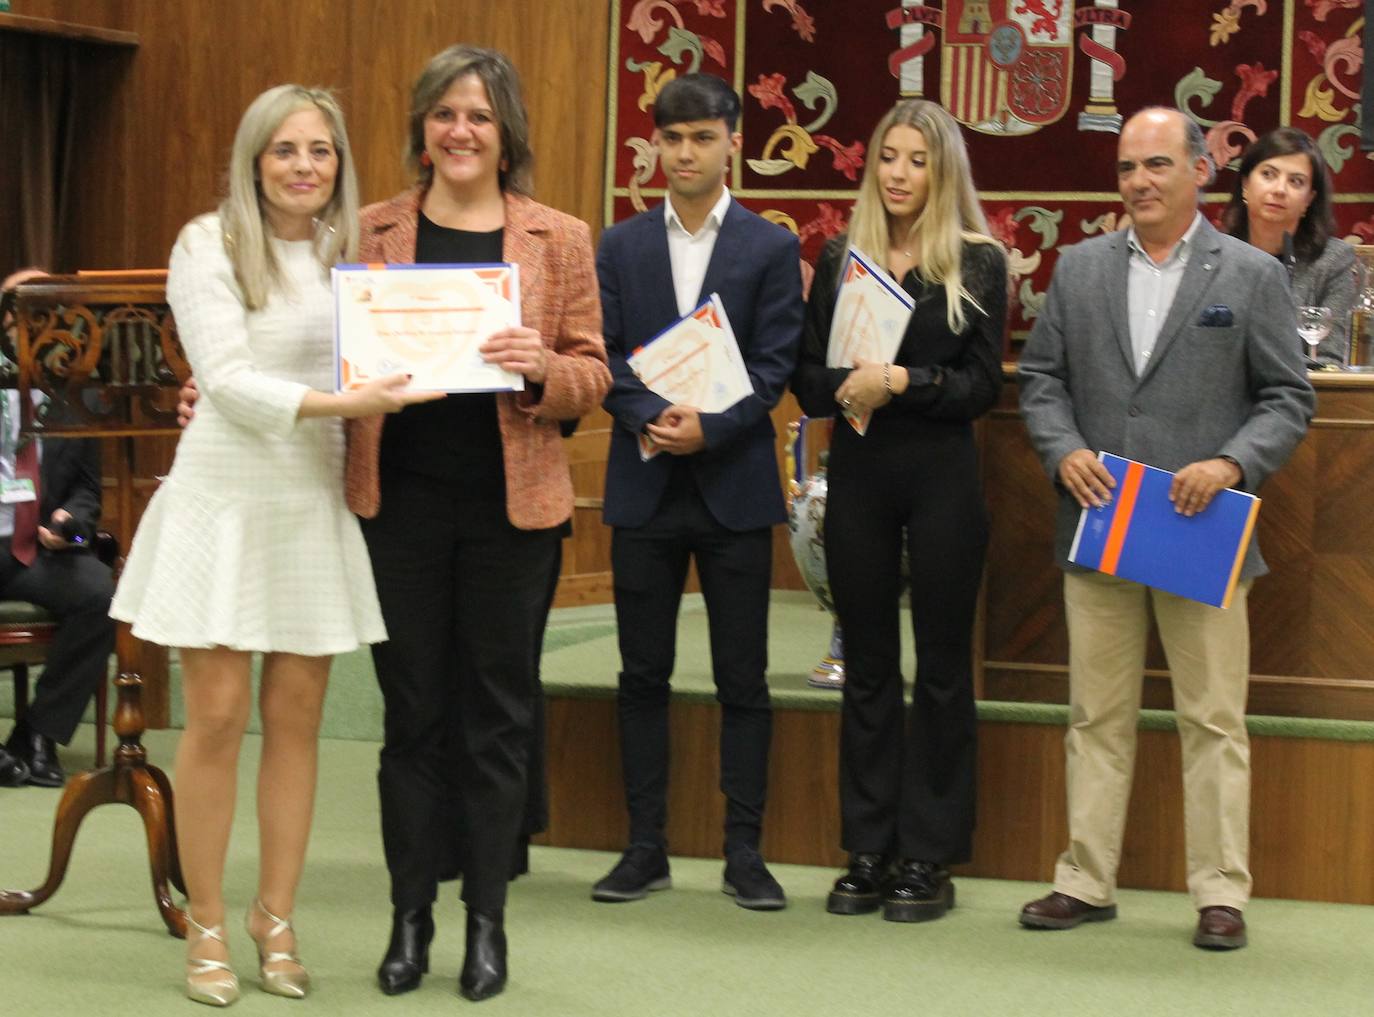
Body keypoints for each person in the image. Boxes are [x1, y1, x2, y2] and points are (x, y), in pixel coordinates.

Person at [109, 85, 438, 1006]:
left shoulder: (356, 252)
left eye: (322, 151)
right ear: (255, 159)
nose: (304, 166)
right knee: (215, 719)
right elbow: (226, 379)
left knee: (296, 723)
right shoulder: (204, 242)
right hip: (225, 498)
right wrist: (350, 404)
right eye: (287, 149)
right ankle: (206, 921)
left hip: (310, 501)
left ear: (341, 164)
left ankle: (275, 915)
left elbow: (398, 347)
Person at [344, 46, 610, 1002]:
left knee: (498, 720)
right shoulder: (371, 229)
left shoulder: (559, 238)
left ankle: (486, 925)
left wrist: (542, 364)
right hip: (398, 507)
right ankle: (409, 915)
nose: (460, 131)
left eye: (480, 117)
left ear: (507, 138)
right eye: (445, 114)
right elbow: (328, 353)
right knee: (410, 720)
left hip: (514, 514)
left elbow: (594, 373)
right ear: (423, 129)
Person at [1017, 107, 1314, 950]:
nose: (1139, 182)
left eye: (1155, 165)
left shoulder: (1251, 274)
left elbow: (1289, 397)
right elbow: (1040, 379)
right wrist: (1063, 448)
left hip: (1201, 526)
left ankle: (1220, 892)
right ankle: (1084, 878)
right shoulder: (1077, 269)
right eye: (1125, 169)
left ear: (1197, 171)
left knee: (1213, 718)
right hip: (1103, 520)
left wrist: (1230, 463)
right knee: (1095, 712)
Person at [791, 100, 1007, 922]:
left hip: (943, 477)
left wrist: (903, 381)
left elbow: (983, 387)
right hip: (861, 475)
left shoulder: (978, 263)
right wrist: (847, 380)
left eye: (918, 159)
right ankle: (869, 845)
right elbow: (808, 379)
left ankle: (929, 853)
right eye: (889, 156)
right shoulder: (843, 257)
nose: (900, 174)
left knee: (943, 667)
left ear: (942, 170)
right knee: (869, 665)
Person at [593, 73, 803, 911]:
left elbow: (777, 363)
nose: (686, 153)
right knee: (641, 674)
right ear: (656, 146)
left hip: (732, 486)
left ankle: (743, 851)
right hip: (645, 483)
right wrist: (654, 417)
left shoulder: (768, 246)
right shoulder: (619, 246)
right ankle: (644, 847)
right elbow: (602, 353)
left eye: (703, 137)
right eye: (672, 139)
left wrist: (710, 428)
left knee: (742, 677)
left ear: (731, 144)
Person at [0, 268, 114, 789]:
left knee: (100, 594)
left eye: (55, 315)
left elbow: (89, 488)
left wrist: (71, 521)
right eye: (30, 314)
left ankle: (38, 733)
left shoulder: (80, 397)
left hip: (35, 546)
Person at [1220, 125, 1356, 367]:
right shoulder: (1216, 255)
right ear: (1245, 185)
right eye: (1268, 175)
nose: (1279, 190)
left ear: (1308, 200)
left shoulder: (1333, 261)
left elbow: (1328, 359)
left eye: (1295, 181)